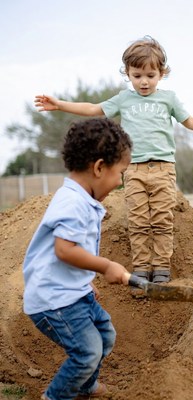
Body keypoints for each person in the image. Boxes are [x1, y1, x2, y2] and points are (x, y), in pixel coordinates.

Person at [34, 35, 193, 284]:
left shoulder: (168, 99)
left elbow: (190, 121)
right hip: (133, 170)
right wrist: (60, 105)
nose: (143, 82)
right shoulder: (124, 99)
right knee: (138, 221)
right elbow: (94, 109)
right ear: (127, 73)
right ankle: (142, 268)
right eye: (137, 76)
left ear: (162, 73)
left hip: (163, 169)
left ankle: (161, 268)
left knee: (162, 220)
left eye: (150, 75)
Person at [23, 118, 132, 400]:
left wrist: (85, 280)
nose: (120, 182)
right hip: (54, 300)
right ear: (99, 168)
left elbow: (71, 254)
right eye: (120, 173)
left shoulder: (82, 199)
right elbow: (65, 250)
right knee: (87, 352)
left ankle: (84, 386)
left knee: (105, 336)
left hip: (72, 293)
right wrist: (106, 266)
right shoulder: (72, 202)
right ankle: (55, 396)